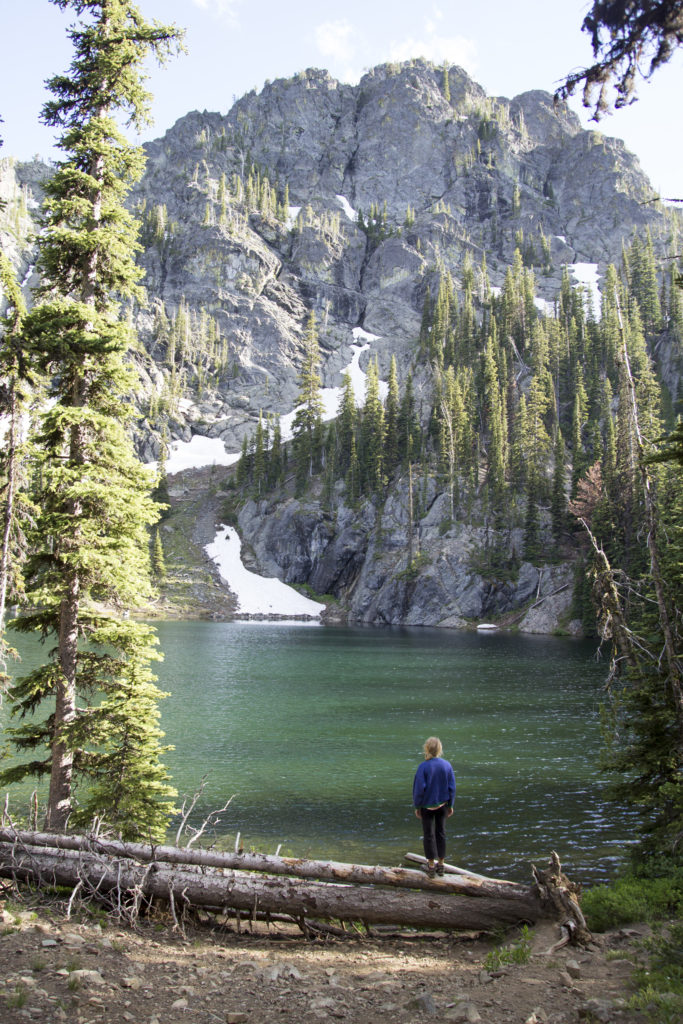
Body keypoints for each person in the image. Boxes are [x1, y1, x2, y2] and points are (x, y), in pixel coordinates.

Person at [412, 736, 456, 878]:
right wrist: (451, 804)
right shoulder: (447, 765)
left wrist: (417, 806)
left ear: (426, 749)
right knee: (441, 833)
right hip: (443, 804)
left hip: (427, 806)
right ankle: (441, 864)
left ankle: (431, 865)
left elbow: (419, 789)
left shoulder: (423, 767)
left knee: (428, 835)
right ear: (440, 750)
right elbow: (452, 787)